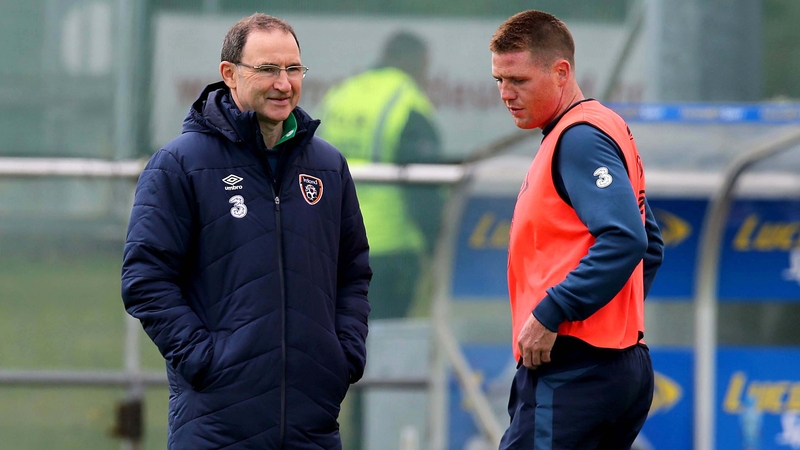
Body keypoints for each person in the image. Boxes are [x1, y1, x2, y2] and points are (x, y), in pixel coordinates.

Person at [121, 13, 371, 450]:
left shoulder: (328, 166)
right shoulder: (180, 163)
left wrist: (342, 356)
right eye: (268, 69)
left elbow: (353, 273)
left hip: (312, 422)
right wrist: (205, 361)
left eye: (293, 69)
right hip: (216, 424)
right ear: (229, 74)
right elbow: (145, 279)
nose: (283, 83)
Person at [490, 10, 665, 449]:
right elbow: (652, 243)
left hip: (574, 371)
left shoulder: (580, 138)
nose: (506, 93)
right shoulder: (602, 126)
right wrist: (609, 320)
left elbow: (629, 237)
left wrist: (556, 311)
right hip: (611, 367)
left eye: (519, 80)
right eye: (499, 81)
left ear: (561, 71)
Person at [316, 30, 443, 320]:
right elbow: (423, 186)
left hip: (334, 241)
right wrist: (436, 242)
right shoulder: (406, 102)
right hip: (389, 251)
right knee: (386, 341)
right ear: (413, 62)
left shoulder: (341, 94)